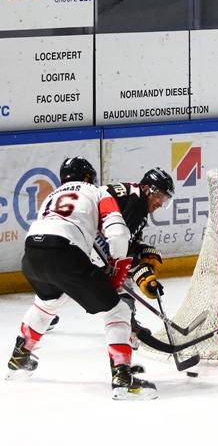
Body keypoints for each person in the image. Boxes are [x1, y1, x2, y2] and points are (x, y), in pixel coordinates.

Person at [5, 157, 157, 400]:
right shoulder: (96, 192)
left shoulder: (52, 195)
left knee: (47, 304)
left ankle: (19, 358)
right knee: (118, 310)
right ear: (88, 176)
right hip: (64, 252)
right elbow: (118, 233)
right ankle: (122, 378)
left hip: (32, 254)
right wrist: (118, 268)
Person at [48, 167, 174, 337]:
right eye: (159, 196)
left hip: (77, 232)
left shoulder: (135, 196)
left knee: (69, 274)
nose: (160, 203)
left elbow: (128, 239)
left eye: (165, 199)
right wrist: (140, 270)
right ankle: (127, 326)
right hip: (87, 234)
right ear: (146, 188)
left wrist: (143, 250)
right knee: (120, 273)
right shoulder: (137, 203)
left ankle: (44, 314)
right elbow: (119, 243)